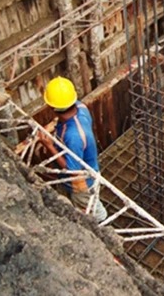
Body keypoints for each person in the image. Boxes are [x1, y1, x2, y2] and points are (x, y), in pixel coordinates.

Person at [38, 76, 108, 223]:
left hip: (81, 183)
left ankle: (102, 225)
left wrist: (50, 146)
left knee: (94, 212)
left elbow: (72, 170)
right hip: (86, 170)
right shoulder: (81, 108)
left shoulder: (73, 136)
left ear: (52, 107)